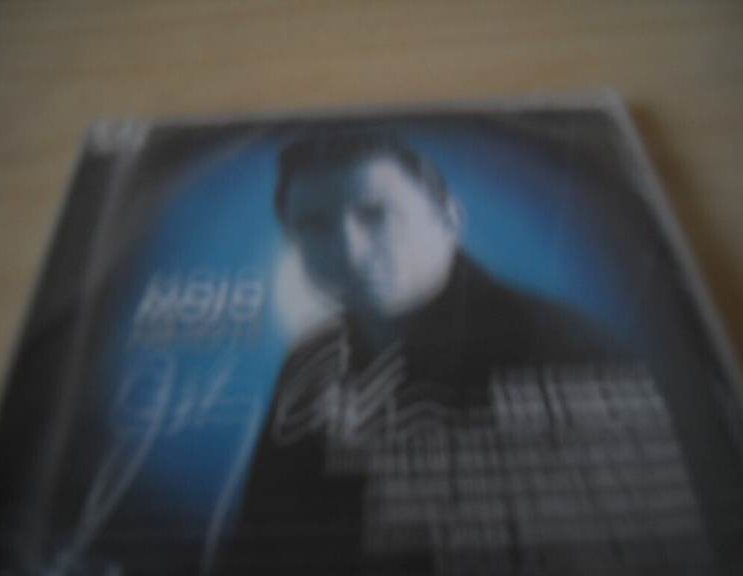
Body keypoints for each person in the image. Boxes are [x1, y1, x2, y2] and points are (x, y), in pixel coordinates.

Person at [218, 130, 624, 574]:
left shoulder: (564, 348)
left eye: (375, 215)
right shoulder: (308, 360)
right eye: (315, 225)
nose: (350, 250)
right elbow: (258, 542)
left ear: (448, 219)